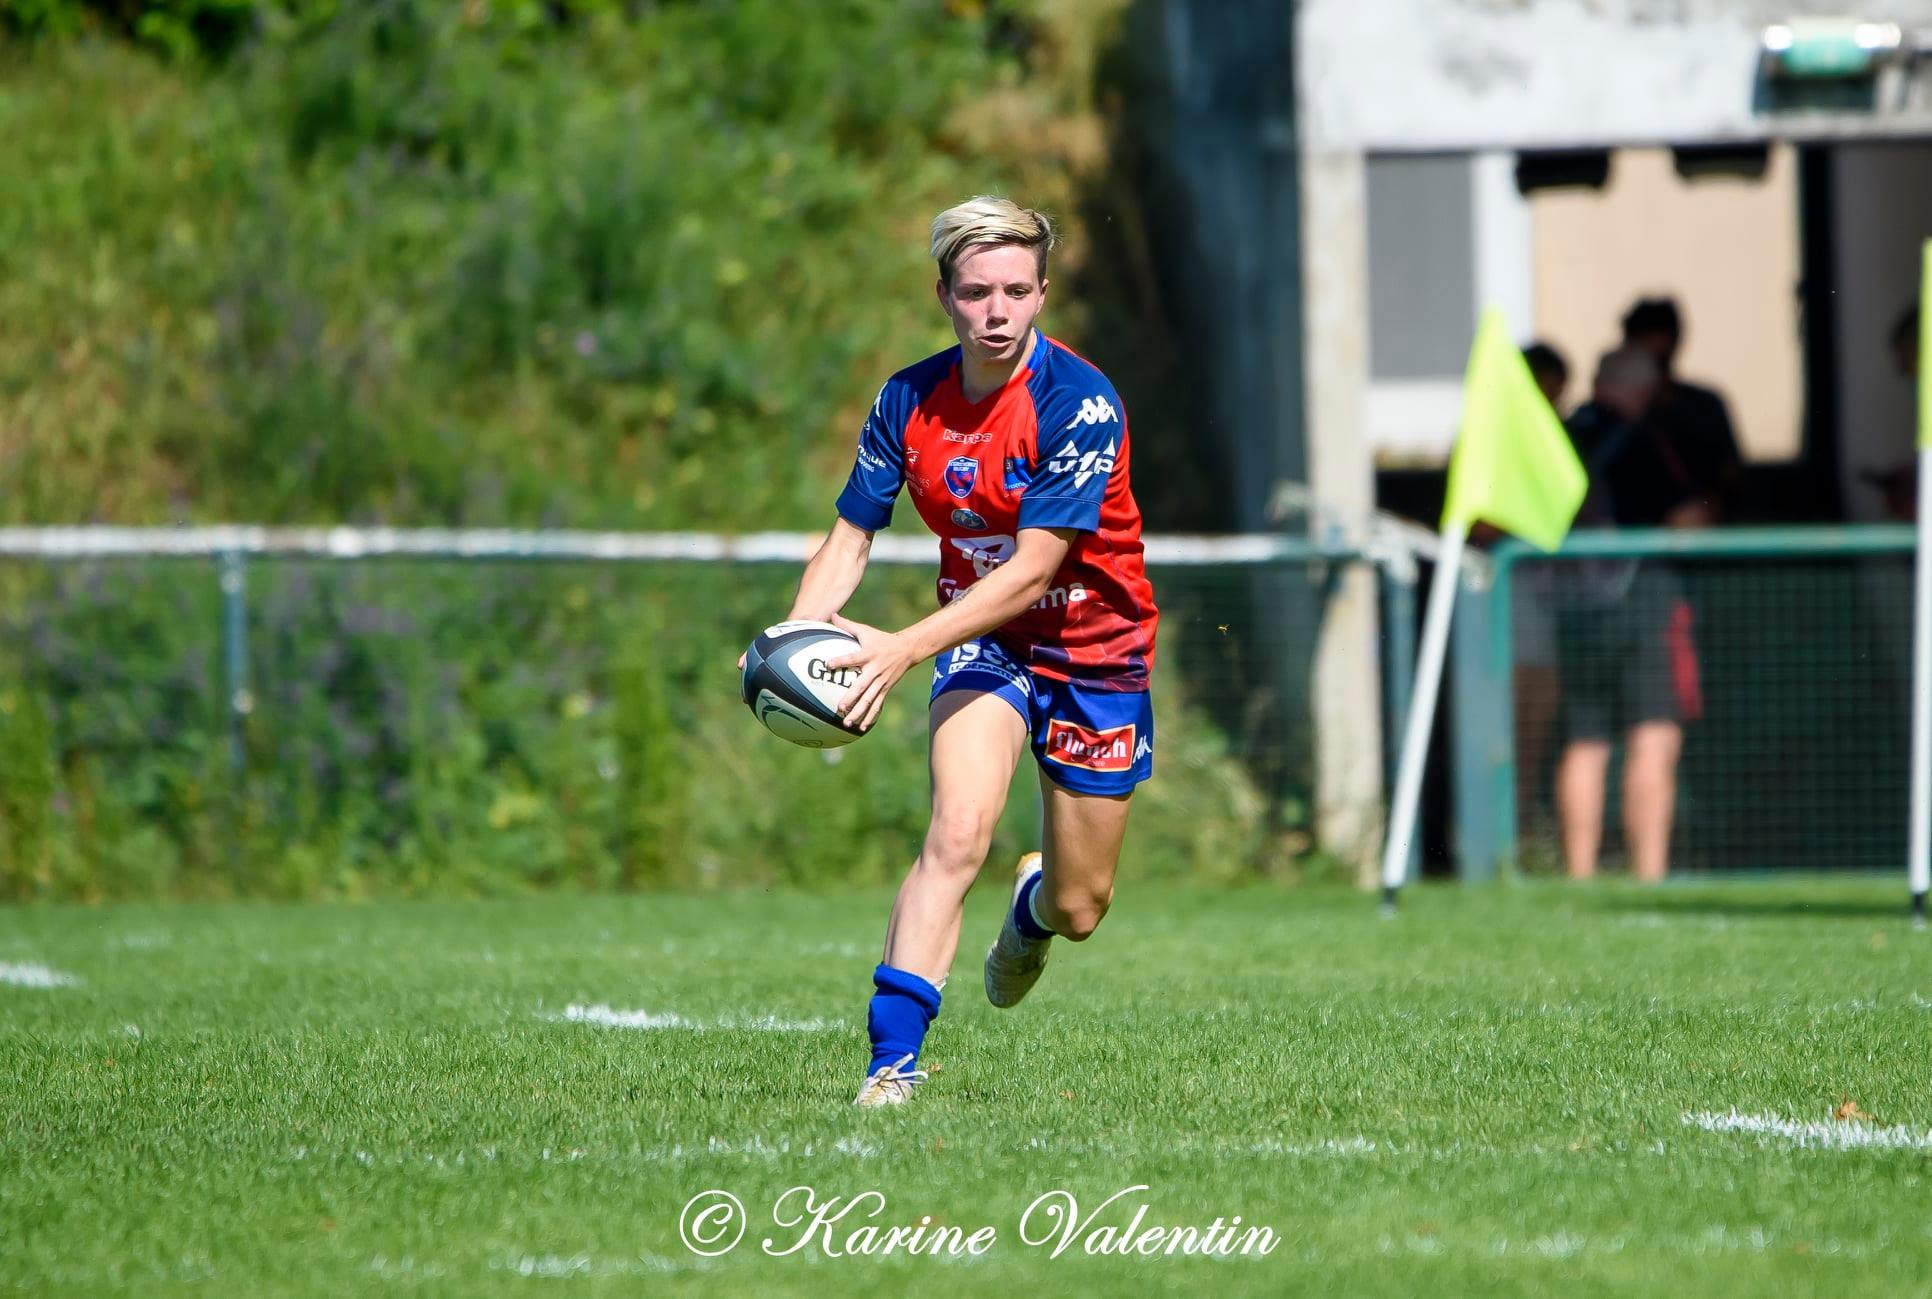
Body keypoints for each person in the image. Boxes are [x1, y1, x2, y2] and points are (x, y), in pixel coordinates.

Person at [751, 196, 1159, 1107]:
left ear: (1044, 291)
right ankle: (889, 1067)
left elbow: (1033, 568)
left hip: (1095, 652)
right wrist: (792, 639)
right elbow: (850, 538)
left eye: (1018, 289)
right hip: (983, 643)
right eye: (977, 291)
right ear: (945, 296)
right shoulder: (907, 398)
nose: (999, 310)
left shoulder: (1079, 403)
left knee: (1081, 906)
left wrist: (896, 649)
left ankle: (1033, 906)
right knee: (958, 828)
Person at [1552, 347, 1705, 883]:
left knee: (1586, 742)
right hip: (1644, 605)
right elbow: (1687, 518)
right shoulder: (1645, 439)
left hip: (1574, 608)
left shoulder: (1559, 436)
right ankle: (1649, 875)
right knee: (1653, 735)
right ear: (1641, 387)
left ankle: (1579, 874)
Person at [1620, 297, 1742, 524]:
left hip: (1702, 537)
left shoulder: (1705, 405)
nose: (1654, 344)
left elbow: (1729, 475)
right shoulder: (1612, 414)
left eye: (1659, 333)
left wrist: (1708, 508)